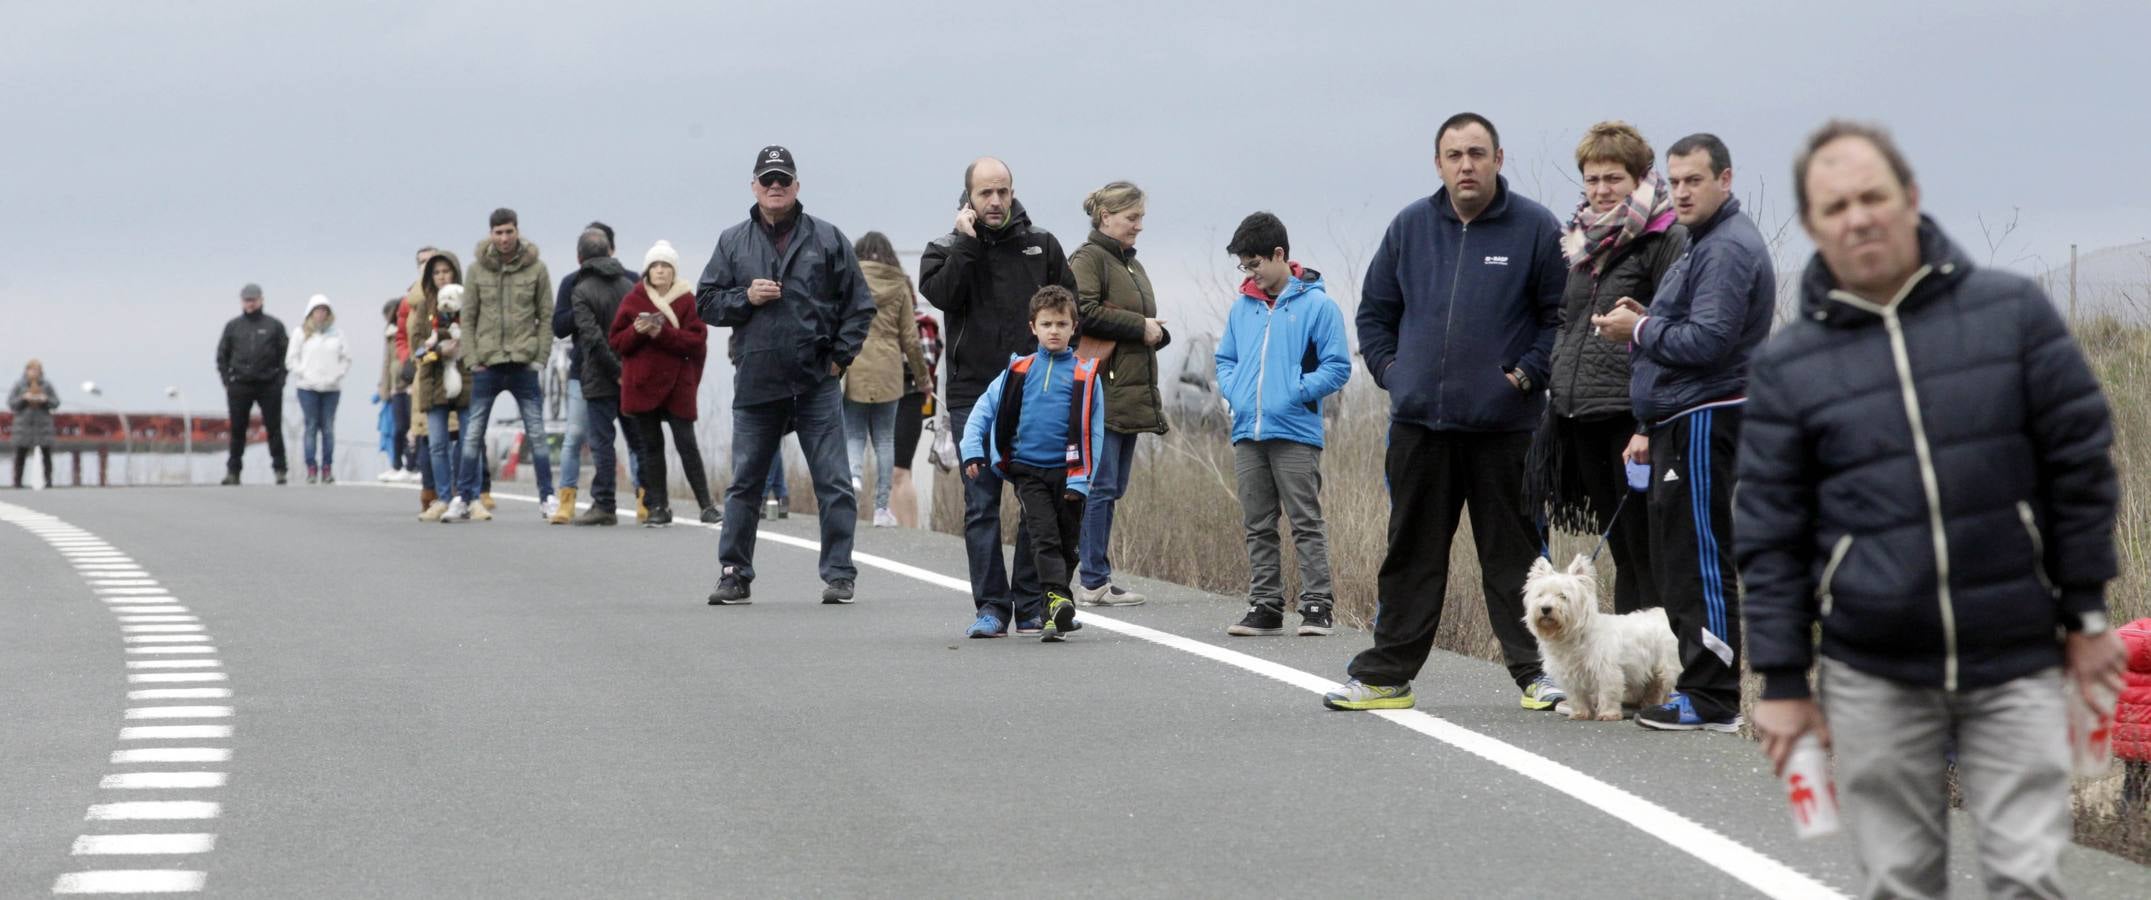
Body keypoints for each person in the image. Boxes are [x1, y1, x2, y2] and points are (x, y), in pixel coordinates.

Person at [1739, 120, 2124, 899]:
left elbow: (2078, 469)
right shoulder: (1787, 366)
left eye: (1873, 195)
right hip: (1872, 672)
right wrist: (1781, 680)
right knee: (1901, 883)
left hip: (2016, 657)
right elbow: (1770, 533)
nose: (1857, 217)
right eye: (1835, 205)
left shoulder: (2009, 315)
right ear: (1813, 225)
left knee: (2027, 878)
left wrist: (2085, 618)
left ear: (1910, 197)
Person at [1325, 113, 1565, 713]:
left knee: (1518, 560)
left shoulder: (1535, 228)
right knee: (1410, 554)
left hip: (1506, 430)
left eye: (1477, 153)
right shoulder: (1410, 226)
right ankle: (1385, 677)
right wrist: (1393, 373)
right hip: (1419, 429)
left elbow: (1561, 319)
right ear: (1438, 163)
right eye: (1454, 155)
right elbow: (1374, 316)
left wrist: (1526, 374)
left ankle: (1544, 674)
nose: (1466, 165)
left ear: (1498, 159)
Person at [1589, 133, 1774, 732]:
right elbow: (1690, 327)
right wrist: (1647, 320)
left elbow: (1711, 341)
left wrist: (1638, 334)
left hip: (1705, 417)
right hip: (1677, 418)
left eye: (1696, 179)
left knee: (1700, 557)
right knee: (1678, 560)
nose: (1685, 192)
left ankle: (1713, 697)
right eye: (1677, 181)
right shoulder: (1702, 244)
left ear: (1726, 179)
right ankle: (1698, 688)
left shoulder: (1726, 249)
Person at [697, 145, 876, 606]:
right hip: (757, 381)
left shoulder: (828, 238)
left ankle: (839, 574)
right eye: (767, 180)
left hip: (815, 381)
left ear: (797, 186)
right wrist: (744, 297)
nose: (775, 187)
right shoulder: (732, 241)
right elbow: (706, 302)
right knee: (744, 485)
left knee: (833, 482)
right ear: (754, 186)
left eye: (783, 180)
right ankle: (734, 573)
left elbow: (860, 305)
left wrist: (840, 358)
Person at [1528, 122, 1686, 617]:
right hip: (1582, 415)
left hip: (1631, 417)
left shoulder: (1664, 237)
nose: (1601, 189)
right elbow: (1566, 318)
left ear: (1639, 178)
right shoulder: (1581, 243)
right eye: (1592, 179)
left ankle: (1664, 664)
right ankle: (1627, 667)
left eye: (1613, 178)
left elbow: (1674, 327)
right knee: (1622, 550)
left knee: (1649, 548)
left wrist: (1645, 423)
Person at [920, 156, 1079, 635]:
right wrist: (967, 245)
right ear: (968, 198)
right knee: (982, 502)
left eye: (1003, 191)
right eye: (985, 193)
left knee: (1038, 502)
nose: (995, 201)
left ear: (1013, 193)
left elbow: (1072, 309)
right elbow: (944, 295)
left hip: (1034, 392)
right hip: (973, 394)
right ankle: (991, 605)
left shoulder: (1042, 246)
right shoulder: (944, 248)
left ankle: (1030, 603)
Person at [1216, 212, 1353, 638]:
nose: (1250, 272)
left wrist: (1293, 390)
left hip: (1295, 430)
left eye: (1254, 263)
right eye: (1244, 266)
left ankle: (1316, 605)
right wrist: (1236, 392)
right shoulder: (1243, 308)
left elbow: (1337, 367)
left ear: (1279, 255)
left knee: (1304, 520)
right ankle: (1265, 605)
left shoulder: (1318, 305)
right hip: (1248, 432)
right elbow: (1226, 360)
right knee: (1257, 523)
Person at [960, 286, 1106, 642]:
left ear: (1074, 328)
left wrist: (1083, 479)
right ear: (1033, 327)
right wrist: (972, 450)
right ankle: (1056, 599)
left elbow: (1095, 433)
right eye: (1046, 323)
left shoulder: (1086, 375)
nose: (1054, 330)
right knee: (1043, 535)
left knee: (1068, 542)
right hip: (1028, 471)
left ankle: (1052, 609)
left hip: (1069, 475)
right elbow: (982, 410)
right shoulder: (1018, 370)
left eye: (1061, 323)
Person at [1071, 180, 1170, 609]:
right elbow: (1082, 312)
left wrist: (1156, 332)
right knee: (1099, 485)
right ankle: (1092, 578)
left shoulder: (1129, 263)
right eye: (1132, 218)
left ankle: (1099, 575)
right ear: (1106, 217)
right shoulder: (1089, 259)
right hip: (1102, 390)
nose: (1139, 227)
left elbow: (1137, 321)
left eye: (1141, 218)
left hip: (1128, 389)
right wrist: (1139, 326)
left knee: (1113, 486)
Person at [460, 208, 560, 520]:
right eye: (498, 232)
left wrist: (540, 358)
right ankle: (463, 497)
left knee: (537, 433)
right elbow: (468, 317)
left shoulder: (537, 268)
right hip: (488, 364)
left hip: (523, 362)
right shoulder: (476, 270)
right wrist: (472, 358)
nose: (504, 238)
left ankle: (547, 497)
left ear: (517, 231)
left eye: (509, 232)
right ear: (491, 234)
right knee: (473, 433)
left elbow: (546, 315)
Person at [610, 240, 716, 528]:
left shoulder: (687, 300)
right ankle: (658, 505)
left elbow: (697, 340)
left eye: (665, 266)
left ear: (674, 271)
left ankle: (706, 505)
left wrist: (662, 333)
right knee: (651, 448)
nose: (659, 271)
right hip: (642, 384)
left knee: (687, 445)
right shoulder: (633, 300)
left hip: (677, 384)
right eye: (655, 266)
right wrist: (637, 330)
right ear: (647, 270)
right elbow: (617, 342)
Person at [844, 231, 931, 528]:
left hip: (854, 362)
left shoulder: (849, 279)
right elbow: (910, 337)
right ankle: (882, 509)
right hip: (889, 367)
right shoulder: (899, 284)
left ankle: (853, 477)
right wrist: (923, 379)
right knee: (884, 439)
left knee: (854, 433)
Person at [568, 229, 646, 527]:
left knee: (602, 442)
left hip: (601, 378)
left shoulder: (582, 289)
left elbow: (592, 338)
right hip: (631, 373)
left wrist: (615, 373)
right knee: (639, 441)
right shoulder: (630, 285)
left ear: (580, 257)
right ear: (609, 253)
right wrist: (627, 371)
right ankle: (651, 501)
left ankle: (604, 503)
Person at [550, 221, 624, 523]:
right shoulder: (573, 283)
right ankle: (567, 499)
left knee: (614, 439)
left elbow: (601, 333)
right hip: (599, 371)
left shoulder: (621, 281)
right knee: (579, 436)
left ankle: (629, 500)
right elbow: (560, 325)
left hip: (607, 370)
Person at [409, 252, 476, 522]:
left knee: (469, 440)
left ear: (455, 273)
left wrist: (462, 348)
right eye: (436, 272)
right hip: (433, 377)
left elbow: (478, 335)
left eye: (446, 271)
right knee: (437, 444)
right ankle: (444, 497)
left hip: (466, 376)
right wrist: (434, 348)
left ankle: (468, 496)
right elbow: (416, 343)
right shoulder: (425, 306)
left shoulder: (469, 302)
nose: (441, 277)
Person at [216, 282, 290, 485]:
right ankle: (233, 472)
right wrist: (227, 381)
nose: (250, 303)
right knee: (238, 430)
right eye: (247, 300)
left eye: (253, 299)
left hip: (269, 385)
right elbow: (222, 355)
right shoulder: (233, 327)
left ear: (261, 300)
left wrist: (280, 381)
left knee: (273, 428)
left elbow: (286, 355)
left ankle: (280, 469)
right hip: (240, 385)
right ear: (242, 302)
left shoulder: (274, 326)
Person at [287, 295, 352, 485]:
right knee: (311, 426)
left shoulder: (337, 334)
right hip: (308, 387)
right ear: (310, 312)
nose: (321, 314)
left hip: (331, 388)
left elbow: (346, 358)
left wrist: (337, 374)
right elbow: (291, 359)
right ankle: (311, 467)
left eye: (324, 310)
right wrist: (303, 373)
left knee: (328, 427)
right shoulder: (301, 333)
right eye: (317, 310)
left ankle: (327, 467)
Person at [889, 310, 943, 528]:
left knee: (899, 470)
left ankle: (909, 530)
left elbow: (926, 361)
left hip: (909, 399)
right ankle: (896, 526)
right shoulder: (902, 322)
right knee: (894, 472)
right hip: (895, 399)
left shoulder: (916, 324)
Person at [10, 360, 59, 488]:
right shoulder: (19, 386)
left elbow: (56, 402)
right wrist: (23, 398)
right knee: (20, 455)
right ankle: (17, 482)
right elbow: (11, 403)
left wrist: (45, 399)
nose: (34, 373)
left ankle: (48, 481)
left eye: (36, 370)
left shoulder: (47, 386)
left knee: (46, 455)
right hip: (24, 426)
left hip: (43, 426)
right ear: (26, 371)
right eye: (31, 370)